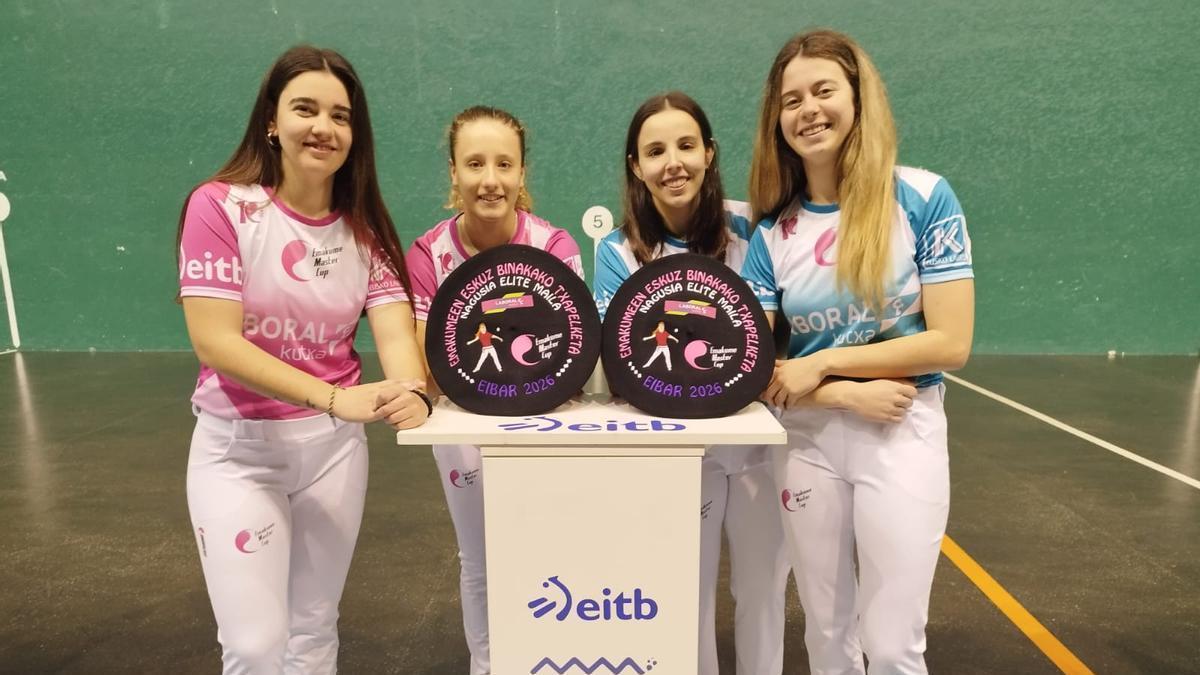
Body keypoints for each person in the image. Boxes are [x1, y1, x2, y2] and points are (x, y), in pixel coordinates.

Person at [176, 45, 431, 673]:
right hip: (238, 453)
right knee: (255, 644)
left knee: (314, 630)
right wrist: (335, 397)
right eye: (305, 109)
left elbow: (395, 333)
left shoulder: (367, 229)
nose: (324, 127)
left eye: (340, 116)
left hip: (333, 454)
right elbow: (216, 342)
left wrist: (413, 389)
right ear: (272, 120)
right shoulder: (220, 206)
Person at [741, 29, 975, 674]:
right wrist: (841, 392)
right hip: (808, 438)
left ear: (857, 98)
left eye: (823, 91)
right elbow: (756, 368)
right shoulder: (772, 233)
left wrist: (823, 363)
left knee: (893, 643)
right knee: (826, 637)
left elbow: (951, 342)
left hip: (902, 427)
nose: (808, 110)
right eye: (791, 100)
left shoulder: (922, 197)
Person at [592, 91, 789, 675]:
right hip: (678, 451)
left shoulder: (754, 227)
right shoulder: (617, 250)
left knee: (762, 593)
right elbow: (621, 363)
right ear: (636, 166)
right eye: (655, 151)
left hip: (758, 445)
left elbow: (777, 334)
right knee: (686, 597)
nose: (673, 163)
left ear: (709, 153)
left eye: (685, 146)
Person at [406, 105, 584, 675]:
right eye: (475, 163)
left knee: (545, 554)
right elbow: (429, 368)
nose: (490, 180)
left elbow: (572, 357)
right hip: (460, 425)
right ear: (453, 173)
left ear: (522, 172)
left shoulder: (555, 247)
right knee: (480, 559)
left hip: (543, 419)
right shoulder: (427, 254)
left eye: (504, 164)